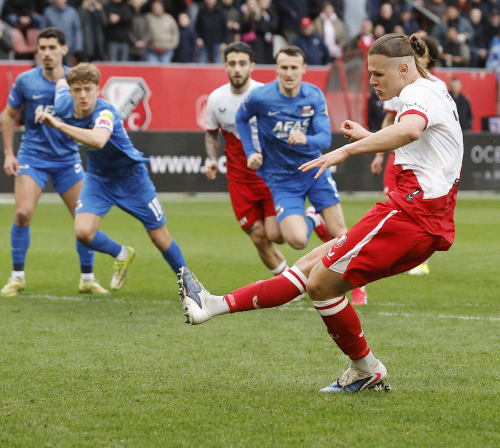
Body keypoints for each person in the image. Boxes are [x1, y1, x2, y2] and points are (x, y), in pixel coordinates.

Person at [177, 33, 464, 393]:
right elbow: (426, 145)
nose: (371, 81)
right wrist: (369, 134)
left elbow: (409, 130)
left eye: (377, 74)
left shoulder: (415, 93)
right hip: (415, 211)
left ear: (404, 68)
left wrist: (348, 150)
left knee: (320, 284)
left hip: (414, 214)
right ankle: (212, 304)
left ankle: (365, 369)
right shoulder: (432, 88)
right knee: (312, 264)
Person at [36, 63, 190, 293]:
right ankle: (122, 253)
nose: (83, 95)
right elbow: (59, 82)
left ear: (98, 90)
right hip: (99, 179)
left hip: (132, 180)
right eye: (77, 90)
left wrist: (58, 125)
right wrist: (61, 75)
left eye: (88, 89)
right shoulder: (62, 103)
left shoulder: (105, 112)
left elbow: (98, 140)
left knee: (160, 239)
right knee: (83, 232)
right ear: (70, 92)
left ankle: (191, 287)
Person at [0, 28, 97, 296]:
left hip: (67, 159)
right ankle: (17, 276)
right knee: (22, 213)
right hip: (33, 157)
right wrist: (9, 153)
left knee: (84, 220)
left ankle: (87, 278)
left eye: (52, 47)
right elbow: (8, 116)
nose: (46, 53)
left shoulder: (75, 81)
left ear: (64, 50)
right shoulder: (25, 81)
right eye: (42, 48)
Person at [235, 46, 344, 251]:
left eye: (294, 67)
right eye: (284, 67)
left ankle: (356, 282)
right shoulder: (260, 97)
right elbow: (240, 118)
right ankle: (313, 218)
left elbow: (325, 139)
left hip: (314, 169)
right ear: (276, 68)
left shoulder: (314, 96)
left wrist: (306, 139)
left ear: (304, 69)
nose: (288, 73)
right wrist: (250, 152)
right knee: (297, 241)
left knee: (339, 231)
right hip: (281, 177)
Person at [203, 42, 290, 275]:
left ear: (251, 66)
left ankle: (313, 219)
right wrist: (211, 159)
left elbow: (281, 133)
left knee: (277, 235)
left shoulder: (266, 95)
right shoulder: (216, 99)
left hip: (269, 177)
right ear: (225, 67)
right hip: (239, 180)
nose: (237, 69)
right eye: (232, 64)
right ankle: (289, 283)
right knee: (258, 237)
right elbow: (211, 134)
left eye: (242, 63)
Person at [370, 33, 444, 276]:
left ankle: (415, 259)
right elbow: (390, 120)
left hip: (422, 160)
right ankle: (393, 256)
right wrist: (379, 153)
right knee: (392, 203)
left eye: (421, 57)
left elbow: (422, 129)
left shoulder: (435, 86)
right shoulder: (398, 85)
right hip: (399, 154)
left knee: (415, 211)